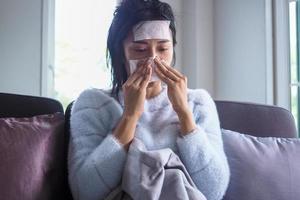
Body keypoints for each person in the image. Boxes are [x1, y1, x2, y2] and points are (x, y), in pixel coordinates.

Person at [68, 0, 230, 200]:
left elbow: (214, 191)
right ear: (120, 53)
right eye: (140, 50)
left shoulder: (198, 102)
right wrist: (130, 116)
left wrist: (184, 113)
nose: (153, 60)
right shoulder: (93, 103)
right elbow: (85, 192)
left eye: (163, 49)